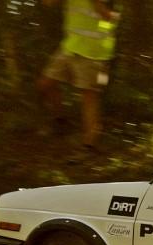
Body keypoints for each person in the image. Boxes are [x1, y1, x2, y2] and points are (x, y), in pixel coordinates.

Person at [38, 0, 119, 149]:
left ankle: (89, 143)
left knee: (89, 96)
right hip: (70, 47)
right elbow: (47, 2)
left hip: (93, 53)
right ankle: (60, 121)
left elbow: (109, 18)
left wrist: (100, 9)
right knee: (46, 83)